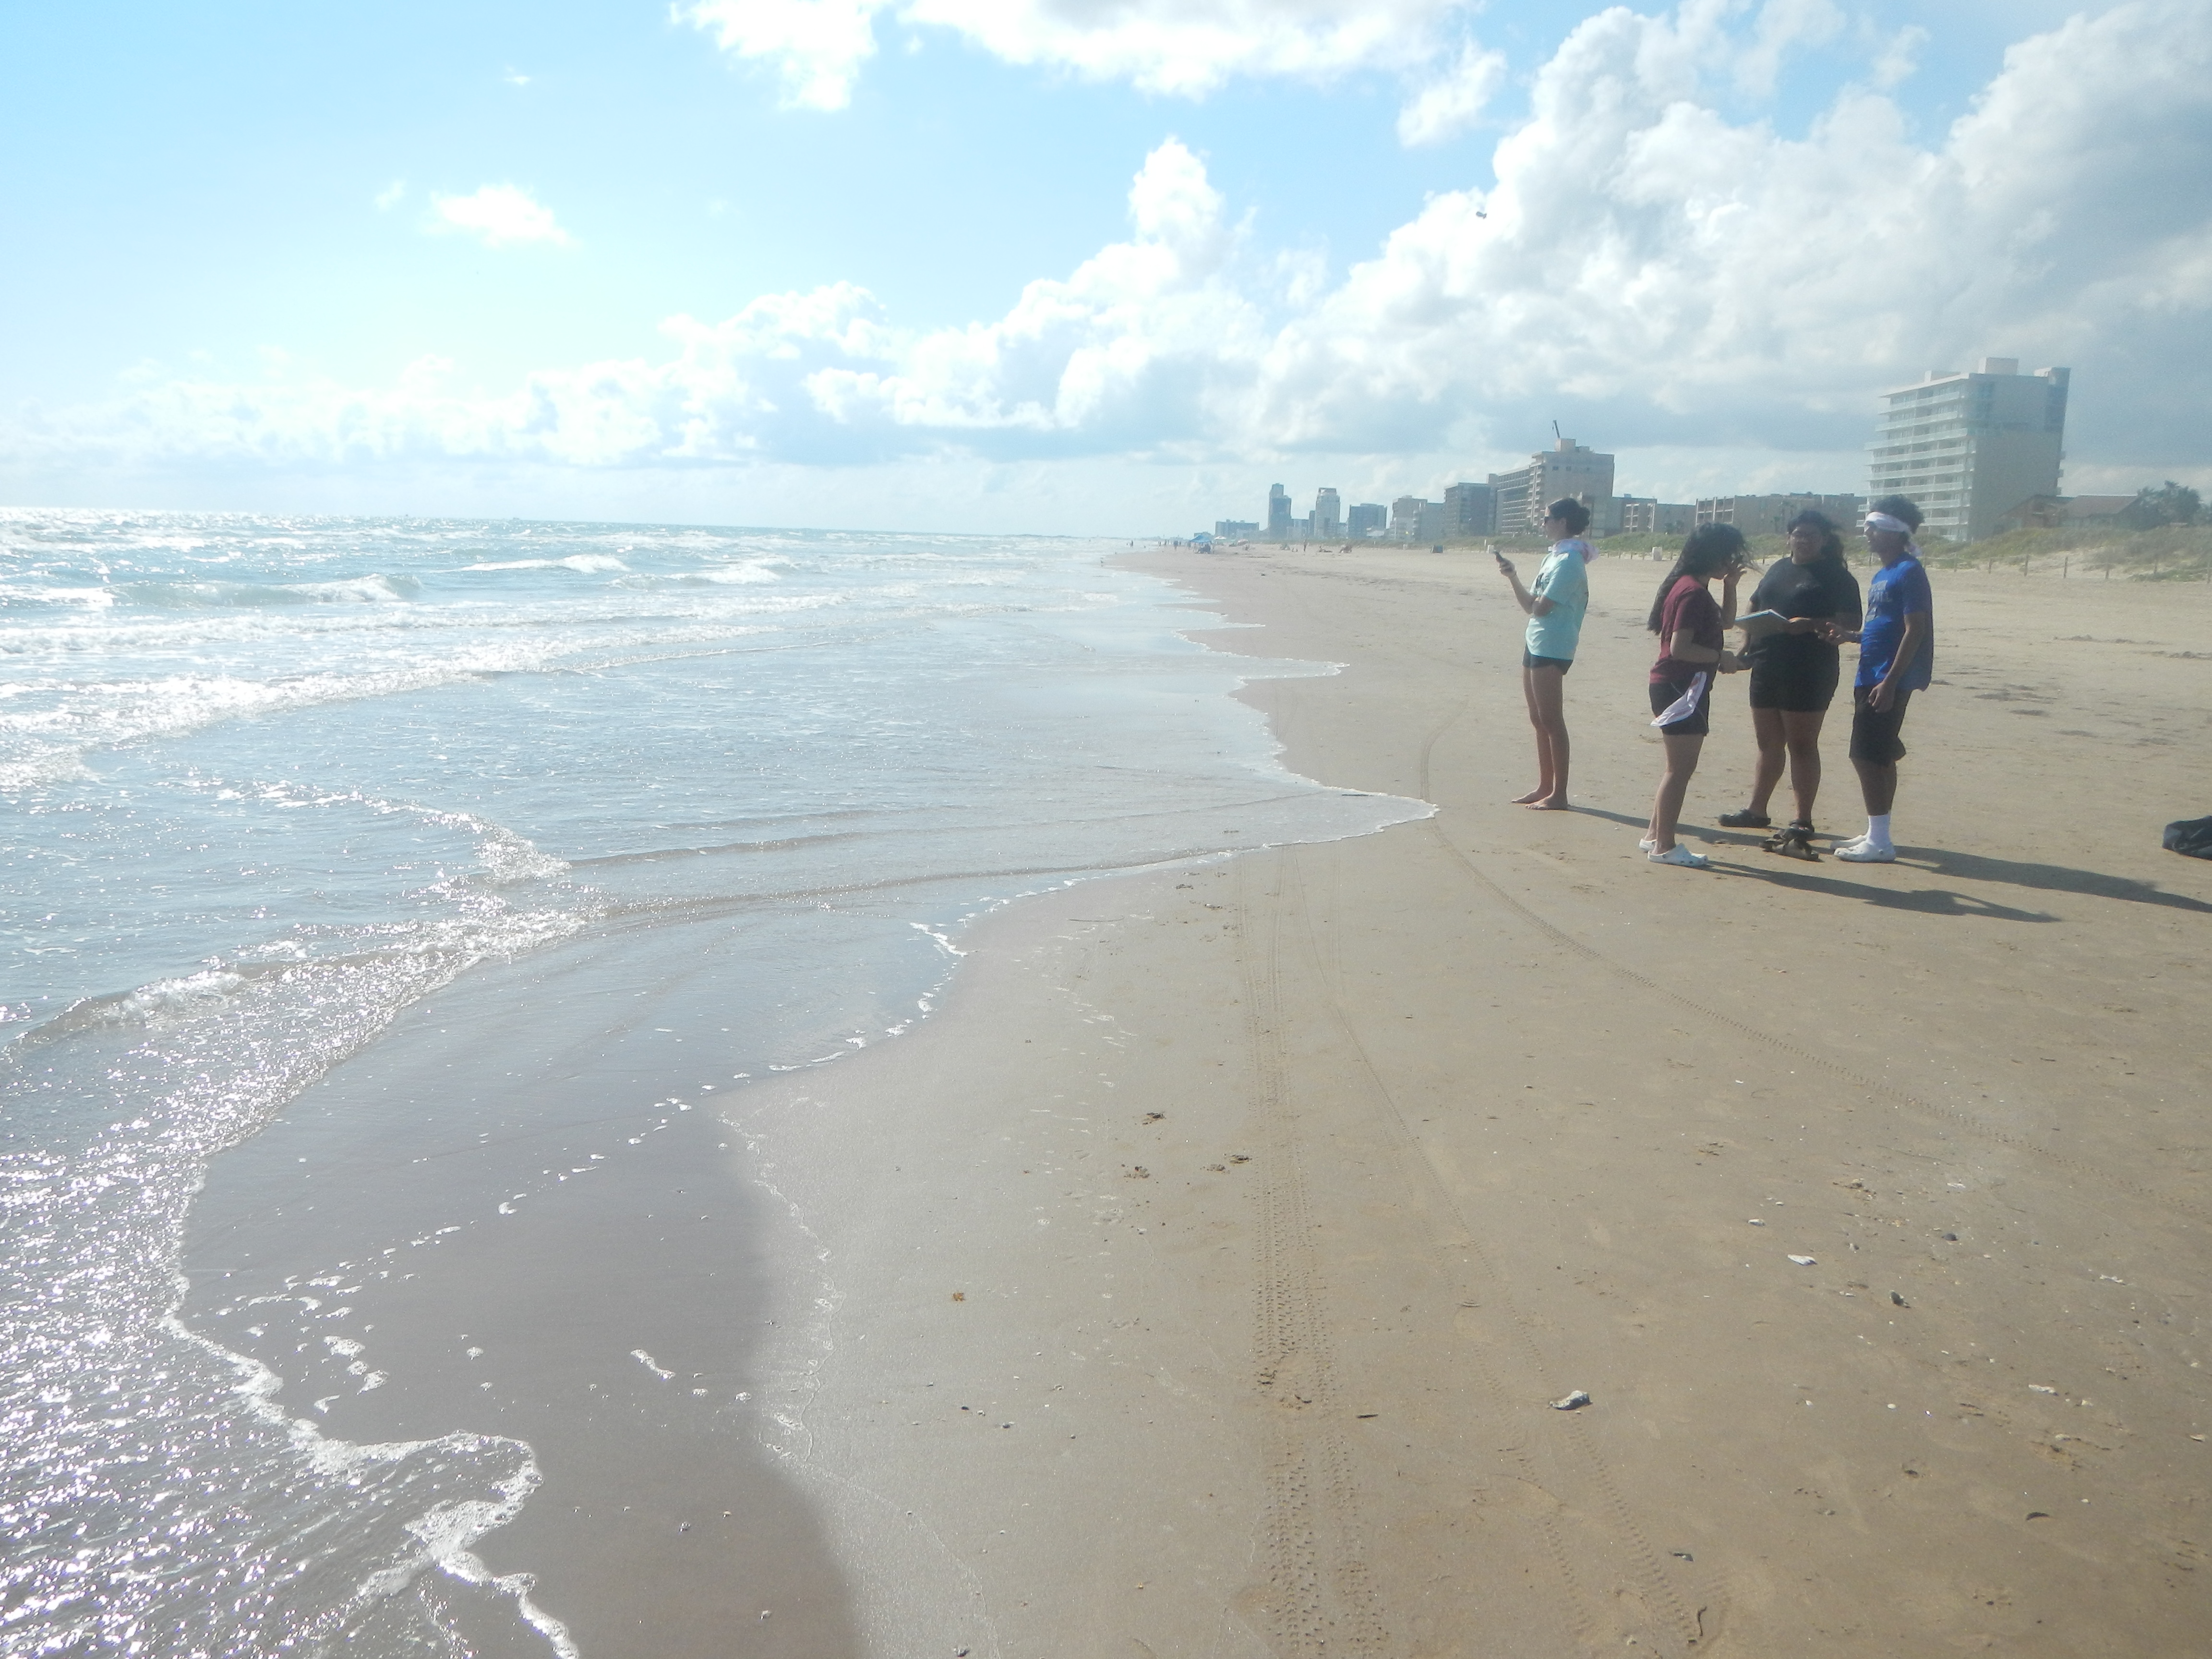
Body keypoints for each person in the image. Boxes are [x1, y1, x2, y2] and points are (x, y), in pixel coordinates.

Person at [1716, 510, 1862, 856]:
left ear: (1824, 540)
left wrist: (1809, 624)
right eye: (1799, 534)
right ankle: (1756, 810)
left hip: (1810, 668)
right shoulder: (1780, 567)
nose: (1804, 540)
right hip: (1767, 664)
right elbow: (1756, 606)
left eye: (1812, 535)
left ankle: (1802, 819)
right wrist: (1745, 648)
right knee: (1767, 743)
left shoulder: (1838, 577)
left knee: (1802, 745)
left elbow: (1852, 621)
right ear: (1789, 537)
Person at [1827, 496, 1934, 863]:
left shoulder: (1908, 571)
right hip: (1869, 672)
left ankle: (1881, 841)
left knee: (1866, 756)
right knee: (1882, 754)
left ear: (1893, 531)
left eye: (1873, 527)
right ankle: (1877, 832)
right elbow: (1881, 628)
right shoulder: (1882, 574)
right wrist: (1849, 637)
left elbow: (1914, 630)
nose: (1867, 534)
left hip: (1886, 677)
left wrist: (1890, 681)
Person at [1640, 524, 1748, 867]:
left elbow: (1726, 622)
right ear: (1712, 555)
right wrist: (1721, 658)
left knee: (1676, 768)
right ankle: (1665, 847)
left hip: (1679, 685)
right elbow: (1680, 648)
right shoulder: (1691, 592)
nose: (1732, 561)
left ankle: (1654, 836)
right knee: (1680, 769)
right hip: (1681, 687)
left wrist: (1730, 587)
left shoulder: (1693, 587)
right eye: (1728, 556)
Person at [1497, 498, 1593, 809]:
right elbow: (1531, 607)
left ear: (1563, 522)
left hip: (1555, 644)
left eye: (1547, 518)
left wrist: (1534, 602)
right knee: (1538, 718)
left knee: (1552, 719)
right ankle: (1545, 786)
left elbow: (1540, 607)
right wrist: (1512, 577)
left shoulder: (1569, 563)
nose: (1543, 523)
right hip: (1537, 640)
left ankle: (1560, 794)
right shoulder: (1555, 557)